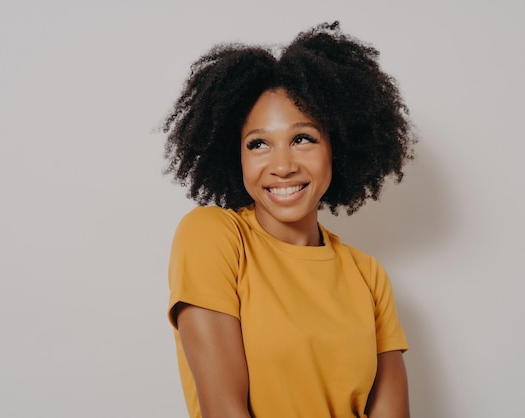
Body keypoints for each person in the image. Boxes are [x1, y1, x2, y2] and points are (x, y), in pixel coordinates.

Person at [163, 21, 416, 418]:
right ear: (237, 157)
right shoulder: (213, 237)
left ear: (338, 147)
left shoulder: (368, 275)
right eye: (258, 144)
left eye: (303, 138)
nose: (282, 166)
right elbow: (224, 410)